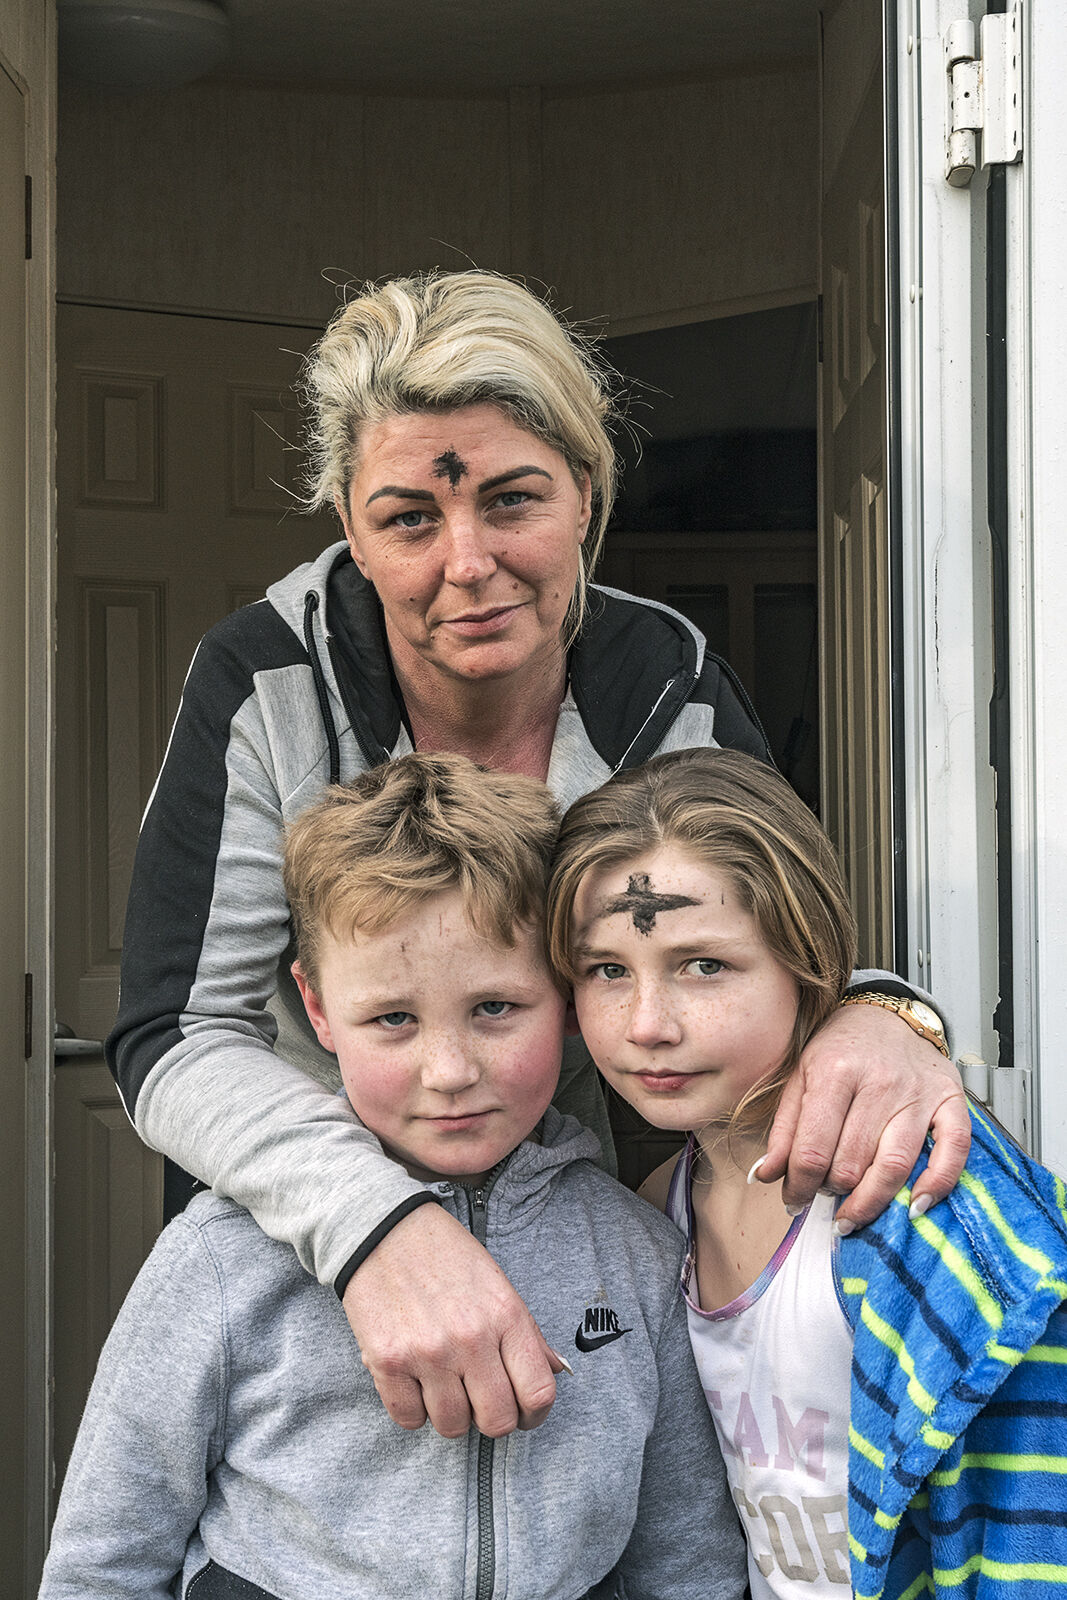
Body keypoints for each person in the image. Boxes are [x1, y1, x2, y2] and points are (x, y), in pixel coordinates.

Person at [106, 268, 969, 1439]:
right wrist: (380, 1228)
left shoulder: (663, 685)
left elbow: (763, 952)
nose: (466, 562)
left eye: (512, 500)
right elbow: (172, 1034)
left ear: (583, 493)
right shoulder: (261, 681)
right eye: (410, 516)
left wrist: (880, 1014)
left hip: (591, 1270)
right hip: (306, 1269)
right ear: (352, 529)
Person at [40, 754, 748, 1600]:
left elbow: (687, 1560)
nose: (448, 1071)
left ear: (562, 993)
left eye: (494, 1008)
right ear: (315, 1009)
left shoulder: (638, 1249)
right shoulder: (219, 1259)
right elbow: (102, 1565)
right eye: (392, 1019)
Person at [546, 746, 1067, 1600]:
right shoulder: (652, 1219)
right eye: (607, 970)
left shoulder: (922, 1201)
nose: (646, 1024)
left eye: (702, 965)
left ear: (807, 959)